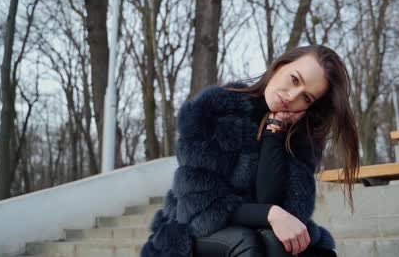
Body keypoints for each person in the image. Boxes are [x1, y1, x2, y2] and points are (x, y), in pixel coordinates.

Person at [141, 45, 360, 257]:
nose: (292, 97)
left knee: (297, 247)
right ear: (279, 66)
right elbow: (201, 209)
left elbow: (284, 210)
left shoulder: (297, 139)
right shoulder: (215, 109)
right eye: (294, 80)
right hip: (187, 232)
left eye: (306, 97)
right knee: (246, 242)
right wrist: (270, 214)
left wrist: (274, 133)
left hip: (253, 233)